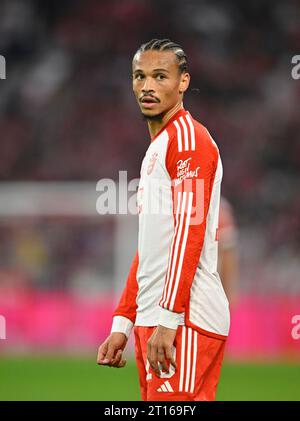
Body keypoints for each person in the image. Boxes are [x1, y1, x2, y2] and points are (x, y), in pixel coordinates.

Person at [97, 38, 230, 401]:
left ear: (183, 81)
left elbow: (190, 230)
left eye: (160, 76)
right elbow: (153, 247)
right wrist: (124, 321)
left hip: (184, 319)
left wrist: (170, 319)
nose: (148, 86)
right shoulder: (158, 147)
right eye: (139, 76)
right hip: (154, 319)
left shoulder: (189, 140)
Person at [218, 197, 239, 308]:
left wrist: (229, 292)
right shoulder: (219, 205)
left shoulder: (219, 207)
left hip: (207, 290)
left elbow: (227, 254)